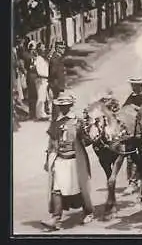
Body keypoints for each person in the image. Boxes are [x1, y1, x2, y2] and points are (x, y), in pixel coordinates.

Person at [41, 94, 94, 231]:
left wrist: (90, 130)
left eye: (65, 106)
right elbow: (51, 142)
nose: (62, 108)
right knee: (57, 188)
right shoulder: (55, 122)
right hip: (59, 160)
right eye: (60, 106)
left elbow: (87, 141)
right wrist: (48, 160)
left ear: (70, 106)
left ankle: (88, 212)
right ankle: (56, 218)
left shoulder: (77, 122)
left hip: (75, 161)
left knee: (79, 187)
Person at [122, 77, 142, 196]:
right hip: (133, 130)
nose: (134, 87)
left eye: (137, 84)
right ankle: (132, 182)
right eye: (133, 84)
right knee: (130, 155)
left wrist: (137, 109)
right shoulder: (131, 97)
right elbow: (124, 109)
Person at [49, 41, 67, 120]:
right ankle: (55, 117)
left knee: (58, 99)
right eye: (61, 48)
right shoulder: (55, 58)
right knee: (57, 99)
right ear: (57, 49)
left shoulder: (58, 57)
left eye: (64, 48)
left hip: (59, 81)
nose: (63, 49)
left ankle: (56, 116)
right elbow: (53, 71)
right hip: (56, 82)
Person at [35, 43, 50, 121]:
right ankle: (38, 114)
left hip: (45, 80)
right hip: (41, 80)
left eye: (44, 48)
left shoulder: (44, 58)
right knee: (41, 97)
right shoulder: (38, 59)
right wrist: (47, 75)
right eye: (42, 48)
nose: (44, 49)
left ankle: (42, 112)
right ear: (39, 50)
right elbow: (39, 71)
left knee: (44, 97)